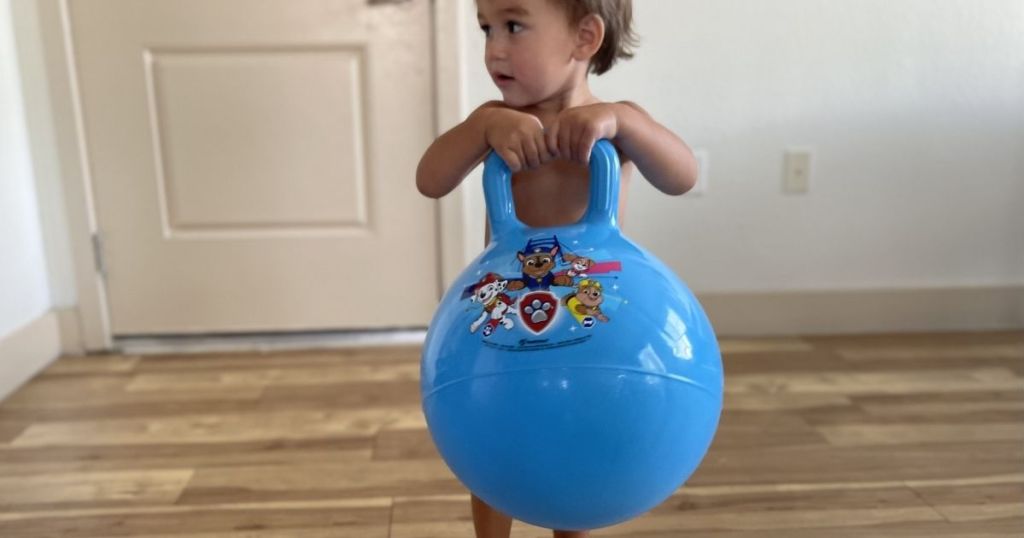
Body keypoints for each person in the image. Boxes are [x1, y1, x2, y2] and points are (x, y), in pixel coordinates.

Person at [416, 1, 699, 536]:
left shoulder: (618, 123)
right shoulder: (493, 123)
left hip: (588, 324)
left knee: (575, 436)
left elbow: (683, 175)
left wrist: (627, 122)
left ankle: (571, 523)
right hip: (500, 325)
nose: (493, 47)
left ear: (585, 38)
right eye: (486, 28)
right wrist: (483, 128)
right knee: (493, 432)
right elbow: (430, 180)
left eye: (514, 26)